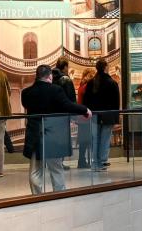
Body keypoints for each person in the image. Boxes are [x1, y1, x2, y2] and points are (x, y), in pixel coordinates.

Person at [21, 64, 91, 194]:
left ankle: (37, 196)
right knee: (56, 169)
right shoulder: (56, 90)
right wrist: (84, 109)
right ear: (49, 76)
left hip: (35, 134)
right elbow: (68, 105)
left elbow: (26, 105)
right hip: (53, 136)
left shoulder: (26, 93)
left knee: (35, 170)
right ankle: (59, 195)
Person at [81, 59, 120, 171]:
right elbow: (115, 103)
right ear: (105, 68)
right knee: (105, 139)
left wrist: (88, 113)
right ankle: (102, 161)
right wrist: (115, 118)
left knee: (95, 139)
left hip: (94, 115)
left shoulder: (91, 83)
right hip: (108, 116)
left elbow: (86, 101)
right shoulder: (112, 83)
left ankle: (95, 163)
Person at [52, 58, 77, 169]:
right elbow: (71, 99)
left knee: (54, 139)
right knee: (62, 139)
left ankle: (54, 162)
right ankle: (59, 163)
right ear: (65, 67)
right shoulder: (66, 80)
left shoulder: (50, 78)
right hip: (63, 114)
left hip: (51, 115)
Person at [76, 69, 95, 168]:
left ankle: (82, 161)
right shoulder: (87, 87)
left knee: (83, 141)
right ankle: (84, 161)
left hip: (81, 117)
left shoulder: (81, 86)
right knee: (87, 141)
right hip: (87, 117)